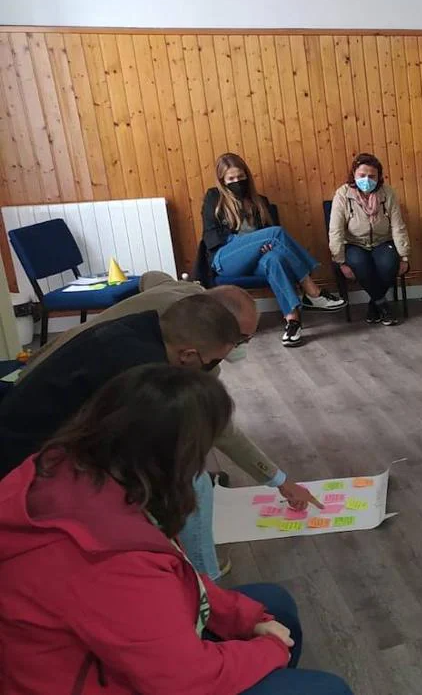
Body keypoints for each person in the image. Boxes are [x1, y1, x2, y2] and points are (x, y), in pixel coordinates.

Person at [0, 364, 353, 695]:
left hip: (94, 657)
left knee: (272, 606)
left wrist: (247, 621)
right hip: (91, 679)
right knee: (325, 688)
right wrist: (270, 649)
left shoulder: (69, 465)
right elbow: (183, 681)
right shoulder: (109, 557)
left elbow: (173, 576)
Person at [19, 271, 322, 579]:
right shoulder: (147, 373)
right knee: (191, 478)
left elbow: (149, 278)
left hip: (41, 393)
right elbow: (214, 431)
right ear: (190, 355)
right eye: (234, 343)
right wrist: (278, 480)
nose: (235, 351)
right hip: (30, 455)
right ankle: (206, 585)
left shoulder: (166, 316)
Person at [203, 152, 345, 347]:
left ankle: (292, 321)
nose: (237, 182)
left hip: (259, 258)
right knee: (275, 234)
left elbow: (275, 240)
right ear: (222, 180)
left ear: (247, 177)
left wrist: (262, 246)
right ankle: (312, 290)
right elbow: (211, 237)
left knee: (275, 259)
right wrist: (251, 242)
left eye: (241, 177)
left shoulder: (259, 200)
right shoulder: (214, 197)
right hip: (226, 259)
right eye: (231, 179)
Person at [329, 152, 410, 326]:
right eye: (362, 175)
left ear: (379, 177)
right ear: (354, 175)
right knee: (360, 265)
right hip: (354, 244)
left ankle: (375, 304)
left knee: (389, 264)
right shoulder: (342, 194)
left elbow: (398, 226)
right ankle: (383, 305)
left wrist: (404, 256)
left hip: (382, 241)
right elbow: (335, 230)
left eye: (372, 176)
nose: (367, 179)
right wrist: (340, 261)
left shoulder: (388, 193)